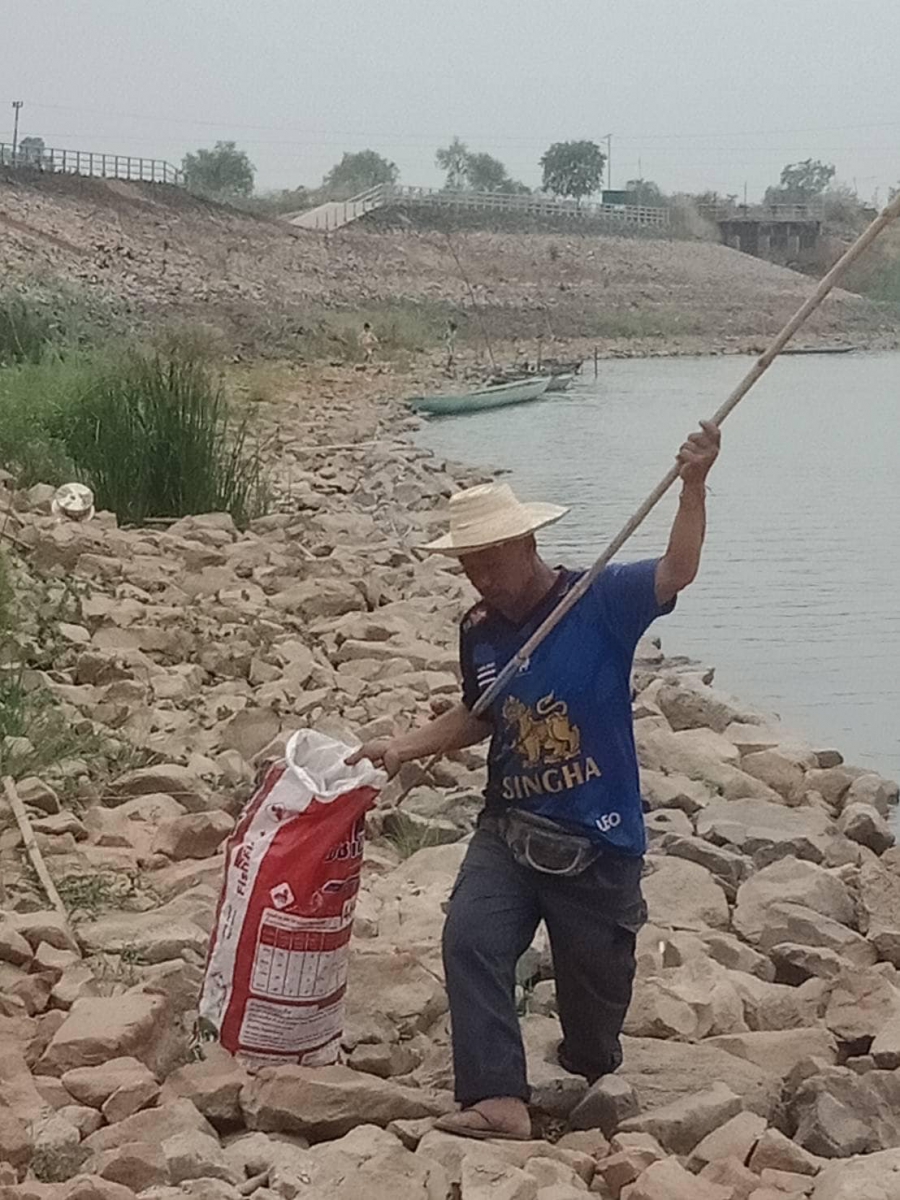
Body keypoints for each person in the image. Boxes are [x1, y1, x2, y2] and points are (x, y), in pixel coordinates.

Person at [348, 420, 720, 1141]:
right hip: (510, 825)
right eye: (469, 564)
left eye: (492, 559)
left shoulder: (599, 601)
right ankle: (497, 1101)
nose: (482, 575)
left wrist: (694, 487)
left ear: (527, 544)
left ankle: (589, 1046)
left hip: (597, 838)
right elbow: (480, 714)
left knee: (593, 1031)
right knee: (469, 937)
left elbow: (678, 570)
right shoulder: (480, 629)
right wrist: (400, 748)